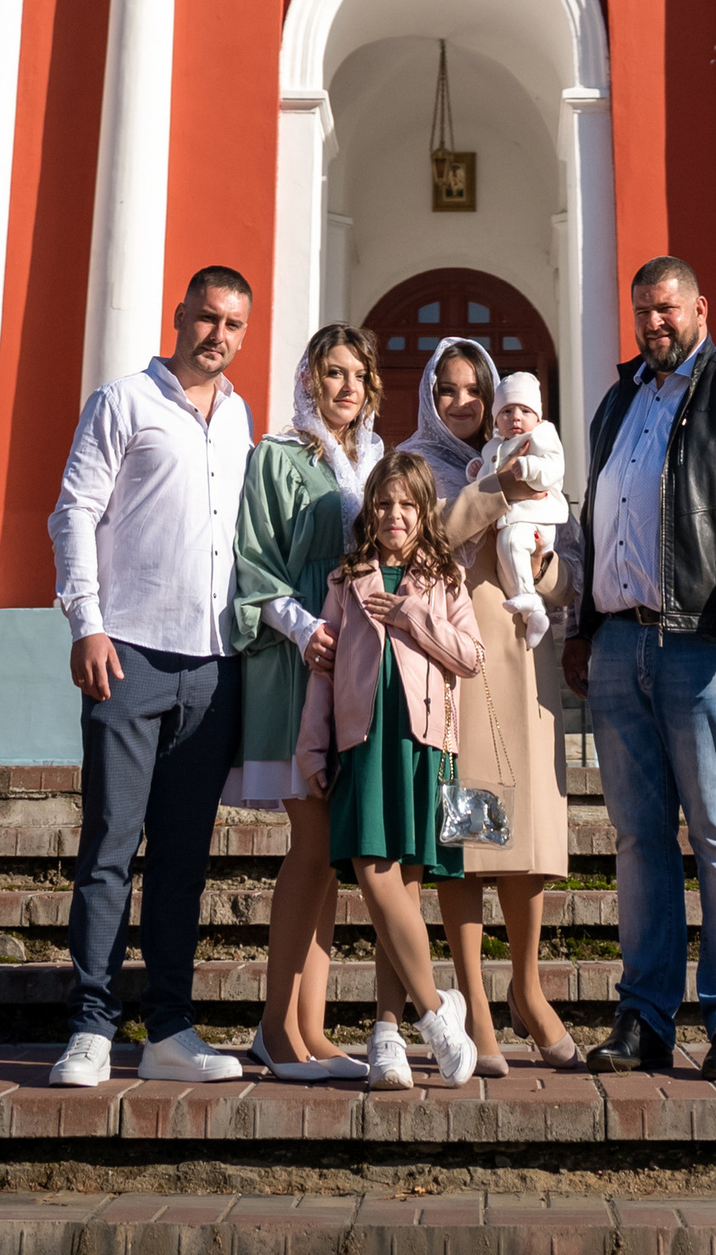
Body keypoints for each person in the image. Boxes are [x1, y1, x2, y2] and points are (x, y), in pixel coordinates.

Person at [562, 254, 716, 1084]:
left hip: (703, 645)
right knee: (637, 840)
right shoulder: (619, 401)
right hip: (620, 644)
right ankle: (645, 1016)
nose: (653, 324)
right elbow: (598, 518)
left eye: (666, 309)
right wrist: (583, 628)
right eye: (641, 312)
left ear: (700, 306)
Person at [45, 265, 257, 1089]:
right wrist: (86, 624)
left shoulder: (240, 418)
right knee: (108, 846)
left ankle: (168, 1029)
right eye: (208, 318)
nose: (220, 336)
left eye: (235, 325)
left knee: (183, 860)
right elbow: (75, 511)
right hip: (127, 654)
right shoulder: (123, 401)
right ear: (180, 315)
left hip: (212, 666)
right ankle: (91, 1026)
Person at [291, 446, 484, 1090]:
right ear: (369, 512)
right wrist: (311, 747)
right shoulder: (348, 580)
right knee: (376, 878)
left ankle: (385, 1034)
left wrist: (414, 615)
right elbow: (324, 670)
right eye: (383, 503)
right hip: (364, 743)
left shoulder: (445, 577)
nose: (395, 514)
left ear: (424, 510)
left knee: (401, 893)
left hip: (425, 746)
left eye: (406, 504)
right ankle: (435, 1011)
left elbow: (471, 655)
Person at [231, 320, 382, 1080]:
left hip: (354, 673)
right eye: (332, 372)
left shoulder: (377, 463)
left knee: (330, 858)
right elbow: (254, 563)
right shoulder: (277, 456)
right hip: (298, 664)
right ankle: (275, 1030)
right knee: (314, 844)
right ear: (309, 379)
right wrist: (302, 627)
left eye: (357, 374)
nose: (345, 387)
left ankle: (310, 1029)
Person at [427, 339, 582, 1075]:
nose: (462, 402)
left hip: (527, 666)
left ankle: (527, 984)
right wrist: (495, 493)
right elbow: (427, 542)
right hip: (461, 673)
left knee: (528, 845)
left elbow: (567, 566)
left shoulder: (534, 456)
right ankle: (477, 1005)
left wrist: (547, 569)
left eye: (474, 390)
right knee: (468, 844)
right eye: (448, 389)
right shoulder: (418, 465)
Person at [466, 371, 569, 646]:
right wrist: (476, 471)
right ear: (496, 418)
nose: (516, 417)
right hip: (511, 521)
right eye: (507, 411)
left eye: (525, 410)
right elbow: (488, 481)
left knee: (512, 543)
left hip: (536, 520)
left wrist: (529, 467)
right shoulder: (493, 447)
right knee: (507, 564)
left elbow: (554, 467)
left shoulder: (541, 435)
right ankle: (532, 612)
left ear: (537, 416)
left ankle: (530, 602)